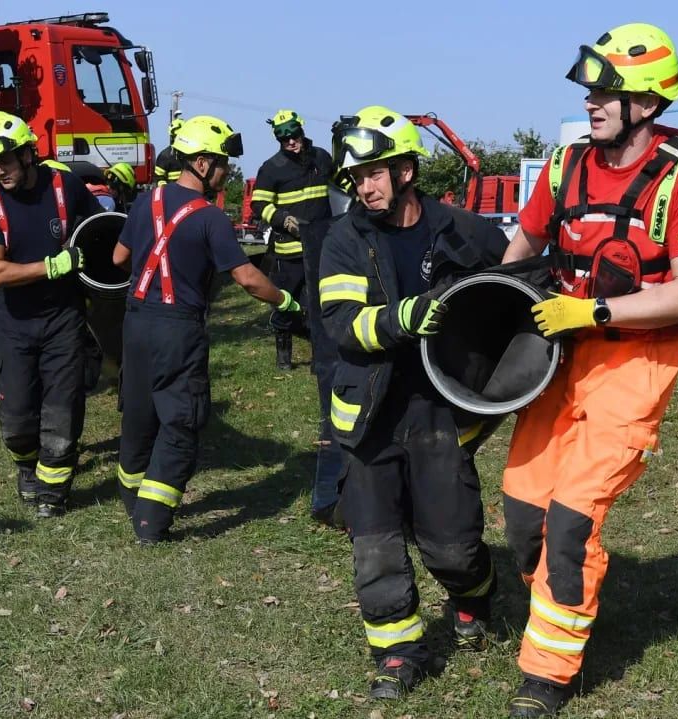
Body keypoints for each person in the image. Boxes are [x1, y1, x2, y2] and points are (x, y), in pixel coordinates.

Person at [499, 23, 678, 717]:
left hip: (634, 362)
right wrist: (496, 321)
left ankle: (547, 675)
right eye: (591, 89)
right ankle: (559, 603)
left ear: (647, 103)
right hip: (557, 358)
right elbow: (524, 244)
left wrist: (592, 313)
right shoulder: (567, 165)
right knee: (522, 511)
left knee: (572, 518)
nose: (593, 101)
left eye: (607, 90)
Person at [319, 105, 509, 699]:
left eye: (374, 173)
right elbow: (341, 324)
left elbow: (508, 285)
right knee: (375, 545)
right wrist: (405, 317)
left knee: (452, 544)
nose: (364, 187)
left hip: (438, 412)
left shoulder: (461, 230)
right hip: (371, 414)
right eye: (356, 177)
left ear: (406, 170)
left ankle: (473, 601)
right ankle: (398, 653)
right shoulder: (344, 238)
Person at [112, 115, 303, 543]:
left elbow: (117, 258)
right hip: (178, 329)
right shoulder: (210, 218)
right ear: (200, 163)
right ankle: (151, 521)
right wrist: (287, 300)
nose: (226, 171)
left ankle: (131, 496)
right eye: (221, 163)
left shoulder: (145, 202)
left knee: (139, 415)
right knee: (181, 421)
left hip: (136, 323)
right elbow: (248, 279)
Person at [0, 111, 105, 518]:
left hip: (64, 318)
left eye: (5, 161)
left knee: (62, 408)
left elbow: (101, 227)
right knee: (16, 418)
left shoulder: (65, 185)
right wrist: (50, 266)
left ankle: (54, 491)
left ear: (28, 154)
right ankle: (27, 467)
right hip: (16, 323)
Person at [250, 109, 332, 371]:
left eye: (294, 136)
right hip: (288, 251)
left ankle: (320, 359)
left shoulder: (321, 157)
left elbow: (343, 183)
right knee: (285, 302)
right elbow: (258, 203)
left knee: (318, 305)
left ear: (301, 131)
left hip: (319, 247)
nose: (291, 143)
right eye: (284, 140)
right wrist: (283, 219)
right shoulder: (272, 168)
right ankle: (284, 357)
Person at [153, 116, 185, 185]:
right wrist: (167, 191)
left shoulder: (191, 154)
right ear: (173, 136)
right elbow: (159, 178)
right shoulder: (164, 156)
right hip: (171, 194)